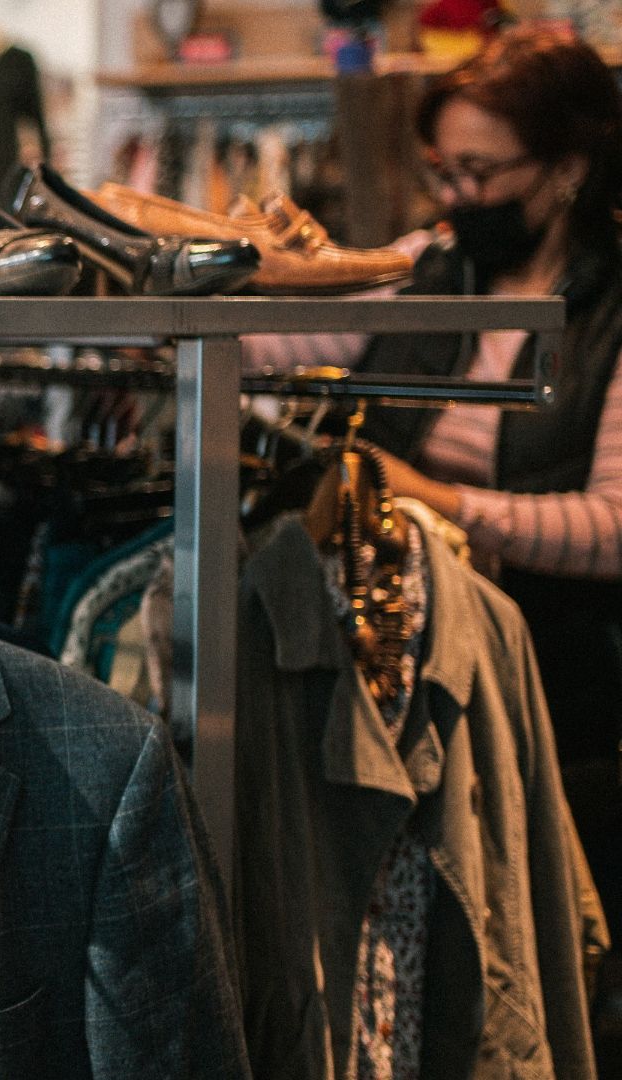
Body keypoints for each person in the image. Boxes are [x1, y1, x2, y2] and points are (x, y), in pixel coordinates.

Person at [251, 24, 622, 1057]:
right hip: (410, 673)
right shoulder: (430, 267)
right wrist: (258, 278)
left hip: (570, 694)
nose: (458, 195)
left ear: (567, 169)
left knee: (549, 946)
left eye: (481, 172)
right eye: (442, 170)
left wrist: (441, 503)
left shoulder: (613, 309)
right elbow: (272, 345)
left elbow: (614, 524)